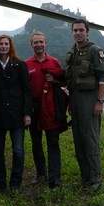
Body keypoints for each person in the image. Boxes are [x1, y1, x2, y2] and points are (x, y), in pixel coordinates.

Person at [65, 19, 104, 192]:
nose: (78, 33)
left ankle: (95, 179)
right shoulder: (72, 52)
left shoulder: (94, 50)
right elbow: (71, 80)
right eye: (75, 30)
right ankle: (85, 176)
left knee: (90, 140)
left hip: (90, 99)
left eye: (81, 30)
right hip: (75, 99)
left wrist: (99, 101)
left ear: (87, 32)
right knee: (78, 139)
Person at [0, 35, 32, 193]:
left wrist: (27, 113)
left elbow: (26, 90)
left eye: (6, 44)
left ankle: (16, 183)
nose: (3, 46)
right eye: (0, 44)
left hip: (16, 113)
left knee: (18, 150)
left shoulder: (20, 65)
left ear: (10, 46)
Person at [25, 31, 68, 189]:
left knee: (53, 142)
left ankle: (55, 177)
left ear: (46, 43)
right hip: (34, 107)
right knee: (36, 143)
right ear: (31, 45)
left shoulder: (54, 62)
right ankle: (41, 173)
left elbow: (63, 83)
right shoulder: (27, 64)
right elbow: (24, 89)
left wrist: (55, 80)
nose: (38, 45)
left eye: (41, 42)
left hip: (50, 107)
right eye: (35, 42)